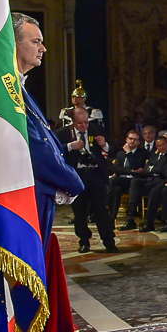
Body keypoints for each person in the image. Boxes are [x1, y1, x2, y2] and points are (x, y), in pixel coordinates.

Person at [14, 13, 86, 332]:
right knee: (17, 291)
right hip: (21, 207)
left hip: (35, 202)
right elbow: (38, 149)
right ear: (14, 44)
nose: (42, 47)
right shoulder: (6, 88)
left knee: (27, 288)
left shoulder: (22, 89)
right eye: (35, 40)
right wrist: (72, 183)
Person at [58, 107, 118, 254]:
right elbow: (54, 150)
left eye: (86, 122)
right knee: (79, 212)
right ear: (73, 122)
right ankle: (84, 241)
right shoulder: (63, 133)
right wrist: (70, 146)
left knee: (101, 211)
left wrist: (104, 144)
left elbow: (113, 150)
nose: (84, 126)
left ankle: (109, 241)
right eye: (80, 123)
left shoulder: (97, 129)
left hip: (96, 175)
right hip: (76, 176)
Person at [107, 130, 147, 222]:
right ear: (126, 139)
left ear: (139, 142)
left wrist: (129, 153)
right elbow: (116, 168)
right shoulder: (120, 153)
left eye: (135, 139)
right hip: (122, 180)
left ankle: (105, 204)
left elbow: (137, 166)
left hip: (135, 181)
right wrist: (131, 171)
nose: (132, 141)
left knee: (113, 181)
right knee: (116, 190)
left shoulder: (142, 153)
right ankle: (111, 218)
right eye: (130, 139)